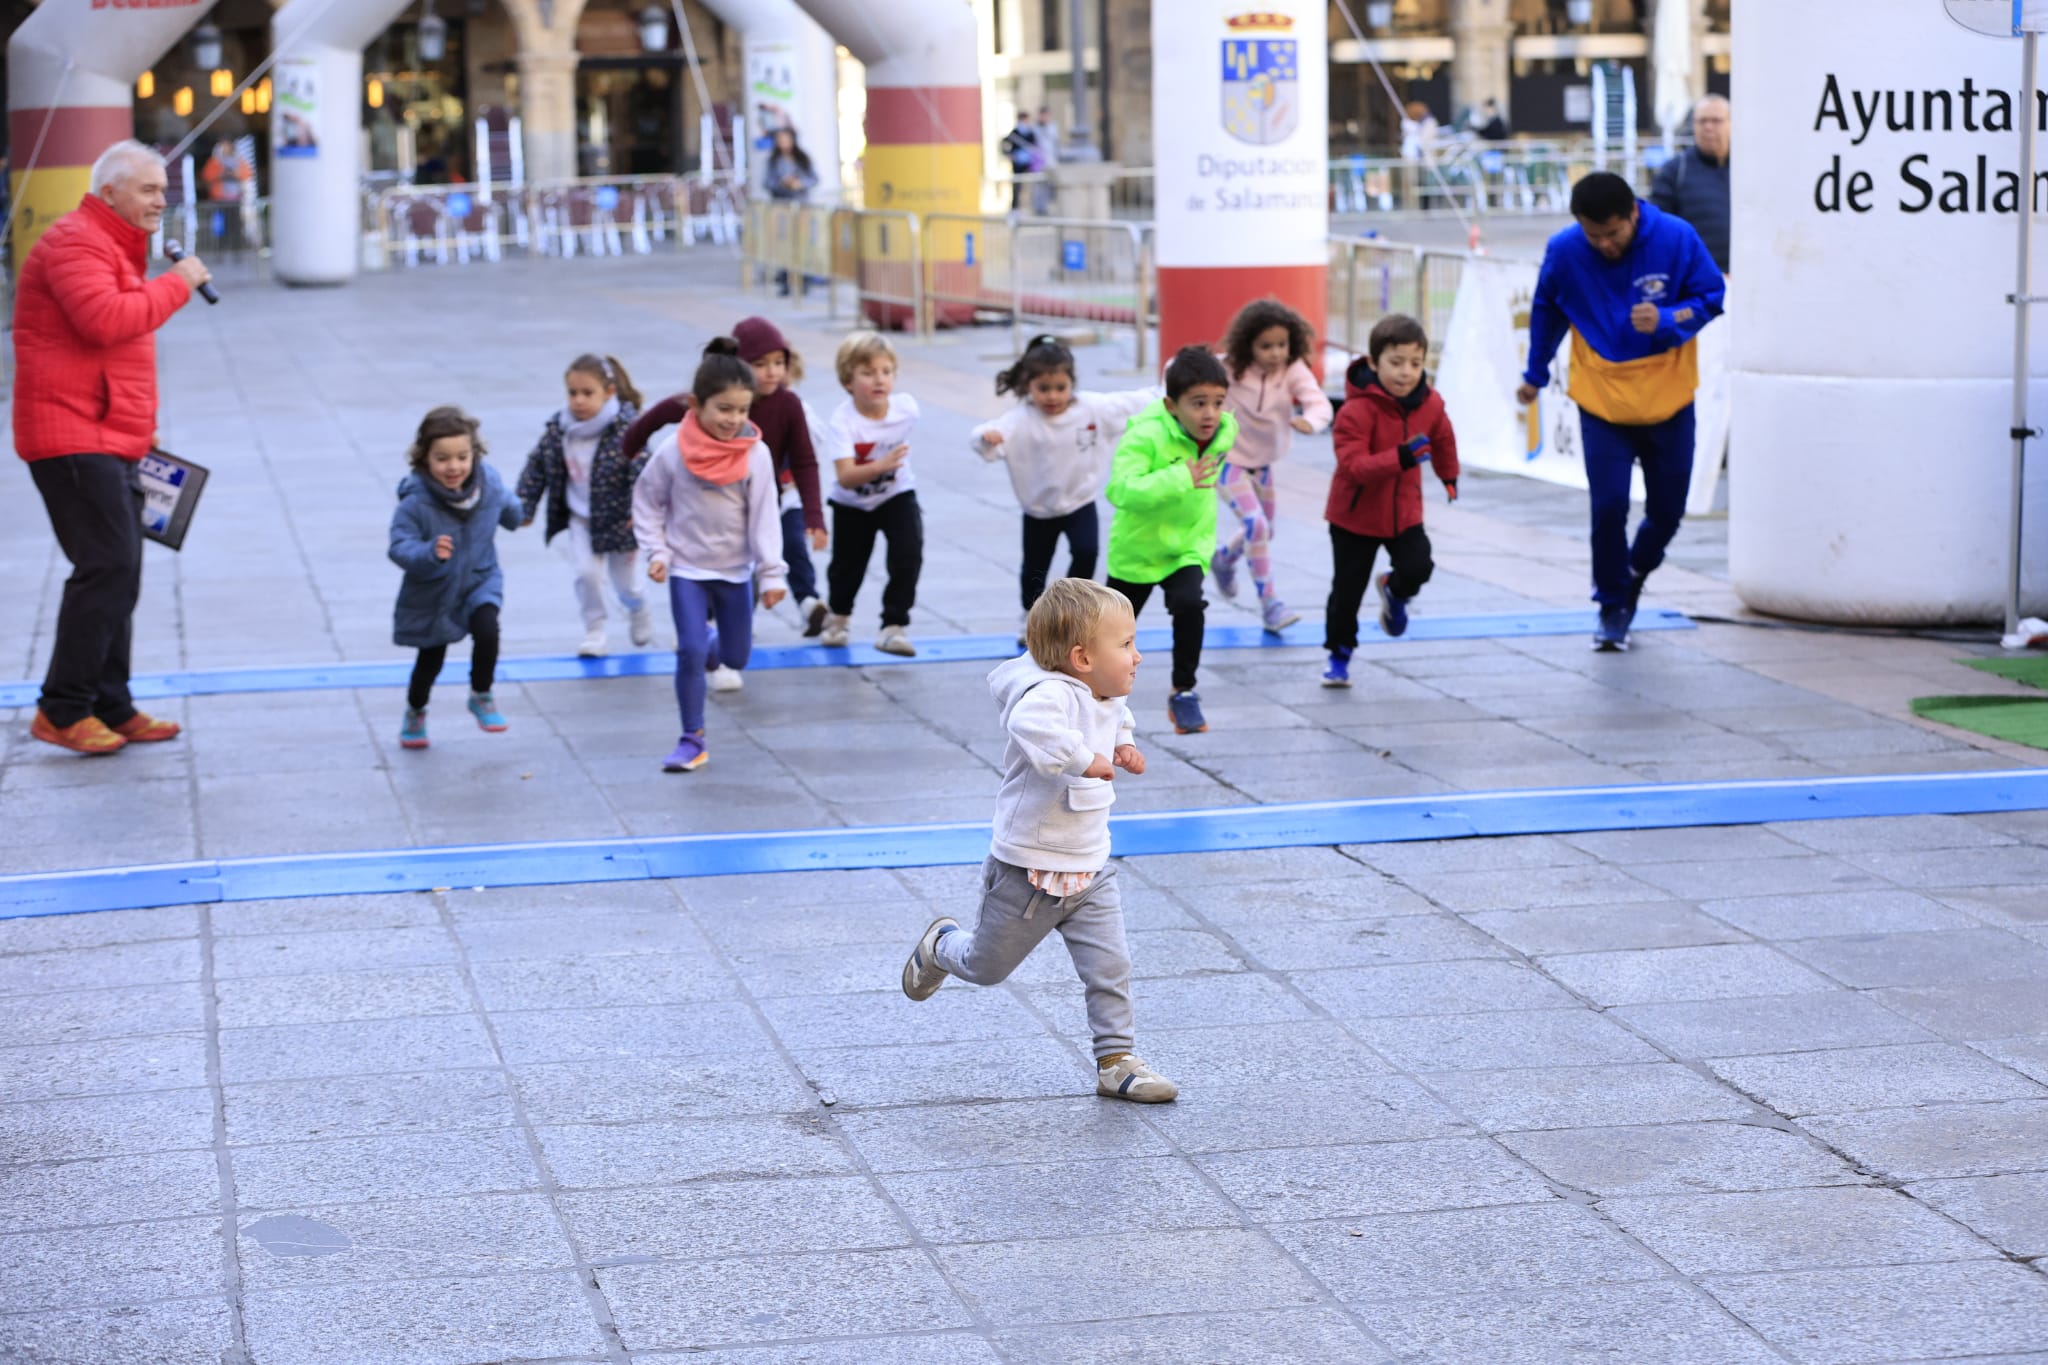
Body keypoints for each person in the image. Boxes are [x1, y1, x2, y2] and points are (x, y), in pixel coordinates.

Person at [900, 576, 1176, 1105]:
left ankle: (1116, 1061)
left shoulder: (1103, 690)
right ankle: (941, 946)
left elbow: (1116, 713)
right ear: (1081, 658)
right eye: (1125, 644)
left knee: (1111, 968)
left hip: (1090, 870)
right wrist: (1085, 759)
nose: (1138, 656)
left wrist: (1123, 743)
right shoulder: (1047, 695)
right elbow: (1034, 728)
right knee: (985, 967)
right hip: (1029, 871)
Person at [13, 140, 210, 755]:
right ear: (108, 194)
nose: (160, 201)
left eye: (162, 190)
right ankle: (62, 709)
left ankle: (110, 703)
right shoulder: (75, 242)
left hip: (102, 432)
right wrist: (177, 283)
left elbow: (110, 352)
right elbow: (106, 321)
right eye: (148, 190)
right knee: (106, 568)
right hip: (69, 436)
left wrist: (137, 428)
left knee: (121, 571)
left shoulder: (110, 246)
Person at [1519, 172, 1725, 651]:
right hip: (1603, 400)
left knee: (1667, 512)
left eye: (1612, 233)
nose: (1604, 245)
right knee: (1608, 505)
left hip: (1669, 398)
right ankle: (1611, 605)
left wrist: (1669, 318)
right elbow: (1547, 308)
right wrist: (1535, 372)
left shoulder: (1676, 238)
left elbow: (1711, 297)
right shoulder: (1566, 251)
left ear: (1633, 213)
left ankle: (1633, 571)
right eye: (1593, 236)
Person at [633, 339, 788, 773]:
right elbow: (647, 500)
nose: (733, 419)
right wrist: (657, 551)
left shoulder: (756, 454)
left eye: (742, 410)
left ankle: (711, 645)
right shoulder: (673, 451)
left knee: (735, 657)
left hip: (735, 571)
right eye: (723, 409)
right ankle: (691, 739)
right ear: (696, 405)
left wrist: (771, 574)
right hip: (687, 568)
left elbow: (765, 518)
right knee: (689, 651)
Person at [623, 317, 829, 643]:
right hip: (705, 505)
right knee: (706, 573)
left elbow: (805, 461)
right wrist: (628, 448)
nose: (772, 372)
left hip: (758, 501)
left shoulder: (789, 405)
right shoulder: (716, 399)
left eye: (779, 363)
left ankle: (727, 639)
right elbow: (661, 412)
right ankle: (702, 631)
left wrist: (814, 515)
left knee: (753, 571)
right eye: (760, 364)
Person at [971, 336, 1156, 642]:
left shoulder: (1092, 408)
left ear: (1072, 383)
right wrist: (986, 438)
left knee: (1087, 552)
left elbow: (1135, 401)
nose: (1052, 396)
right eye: (1043, 388)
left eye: (1060, 387)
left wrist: (1172, 388)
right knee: (1035, 567)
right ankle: (1030, 618)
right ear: (1028, 386)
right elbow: (986, 435)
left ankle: (1070, 613)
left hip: (1080, 502)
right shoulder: (1020, 419)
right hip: (1038, 510)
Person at [1106, 345, 1238, 736]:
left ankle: (1184, 690)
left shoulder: (1224, 431)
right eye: (1198, 403)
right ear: (1171, 405)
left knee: (1189, 603)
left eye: (1218, 402)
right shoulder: (1145, 435)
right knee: (1110, 631)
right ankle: (1095, 695)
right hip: (1138, 551)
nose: (1210, 414)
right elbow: (1120, 490)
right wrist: (1181, 476)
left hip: (1188, 545)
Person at [1323, 314, 1460, 687]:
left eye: (1415, 363)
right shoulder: (1355, 410)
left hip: (1404, 512)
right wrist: (1401, 457)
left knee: (1419, 565)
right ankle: (1339, 654)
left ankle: (1394, 590)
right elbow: (1353, 466)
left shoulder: (1430, 404)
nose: (1406, 373)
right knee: (1347, 591)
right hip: (1354, 516)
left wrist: (1449, 476)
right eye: (1396, 362)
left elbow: (1443, 438)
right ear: (1373, 362)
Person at [390, 407, 523, 749]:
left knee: (488, 628)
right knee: (430, 659)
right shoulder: (416, 502)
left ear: (475, 454)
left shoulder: (488, 483)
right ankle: (415, 711)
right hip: (436, 589)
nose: (454, 467)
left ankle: (481, 694)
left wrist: (518, 512)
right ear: (424, 458)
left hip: (480, 578)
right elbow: (399, 546)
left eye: (462, 457)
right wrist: (429, 552)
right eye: (442, 458)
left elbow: (510, 509)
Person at [516, 353, 651, 659]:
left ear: (609, 392)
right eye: (573, 393)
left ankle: (638, 608)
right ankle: (595, 630)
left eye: (588, 393)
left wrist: (641, 509)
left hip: (620, 520)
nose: (578, 401)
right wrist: (525, 506)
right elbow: (536, 467)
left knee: (628, 585)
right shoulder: (560, 429)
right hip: (582, 518)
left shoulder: (626, 429)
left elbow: (644, 470)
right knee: (586, 574)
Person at [1212, 299, 1333, 634]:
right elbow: (1188, 372)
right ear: (1247, 344)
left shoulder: (1292, 370)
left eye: (1282, 344)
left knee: (1265, 529)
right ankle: (1270, 605)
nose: (1276, 353)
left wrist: (1311, 421)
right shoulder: (1230, 368)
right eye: (1266, 346)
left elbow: (1318, 402)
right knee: (1256, 524)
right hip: (1229, 461)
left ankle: (1223, 559)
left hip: (1263, 464)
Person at [818, 332, 922, 656]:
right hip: (852, 503)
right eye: (868, 372)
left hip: (896, 493)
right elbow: (846, 477)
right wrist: (881, 465)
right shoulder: (843, 421)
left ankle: (894, 625)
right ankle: (838, 617)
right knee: (847, 567)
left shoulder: (906, 409)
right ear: (847, 381)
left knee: (908, 554)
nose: (879, 379)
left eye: (886, 371)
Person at [1650, 94, 1731, 273]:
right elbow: (1659, 228)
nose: (1708, 127)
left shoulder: (1748, 170)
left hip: (1747, 276)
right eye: (1702, 121)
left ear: (1731, 124)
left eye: (1716, 121)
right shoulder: (1674, 171)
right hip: (1697, 278)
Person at [762, 128, 818, 296]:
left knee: (803, 243)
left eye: (786, 139)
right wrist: (783, 183)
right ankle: (787, 279)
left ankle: (804, 278)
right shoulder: (773, 161)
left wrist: (799, 184)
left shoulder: (802, 158)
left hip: (801, 207)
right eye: (780, 140)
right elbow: (767, 182)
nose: (783, 143)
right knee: (784, 244)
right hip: (782, 207)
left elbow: (814, 178)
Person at [999, 113, 1039, 211]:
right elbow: (1004, 143)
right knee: (1017, 186)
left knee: (1030, 185)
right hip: (1017, 163)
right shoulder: (1015, 133)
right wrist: (1009, 155)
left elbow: (1035, 145)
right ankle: (1015, 207)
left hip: (1029, 163)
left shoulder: (1030, 133)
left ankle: (1029, 206)